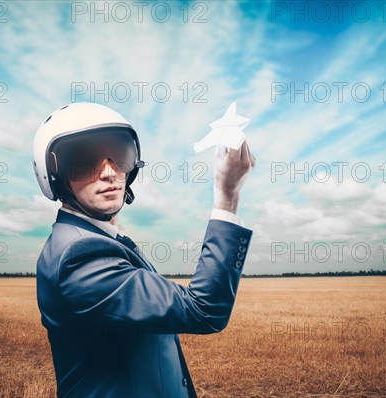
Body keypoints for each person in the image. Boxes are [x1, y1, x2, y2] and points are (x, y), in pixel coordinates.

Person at [33, 102, 255, 398]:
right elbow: (204, 310)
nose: (109, 172)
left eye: (119, 156)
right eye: (84, 161)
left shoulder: (105, 241)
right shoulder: (78, 255)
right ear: (55, 175)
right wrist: (227, 196)